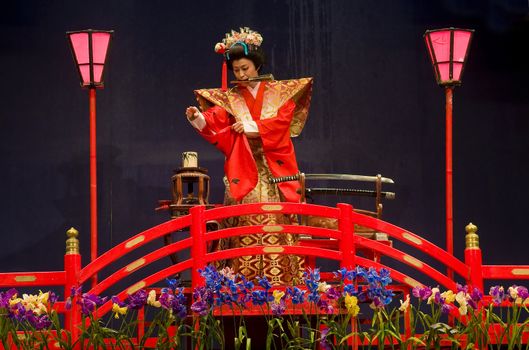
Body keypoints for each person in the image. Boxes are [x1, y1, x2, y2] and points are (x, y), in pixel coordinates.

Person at [185, 27, 313, 285]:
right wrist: (198, 118)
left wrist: (252, 127)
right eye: (237, 70)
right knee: (240, 218)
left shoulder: (280, 93)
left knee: (275, 218)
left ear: (257, 65)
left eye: (246, 68)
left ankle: (282, 282)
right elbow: (217, 122)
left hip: (273, 170)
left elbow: (281, 124)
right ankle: (240, 285)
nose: (241, 74)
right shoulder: (231, 98)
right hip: (242, 169)